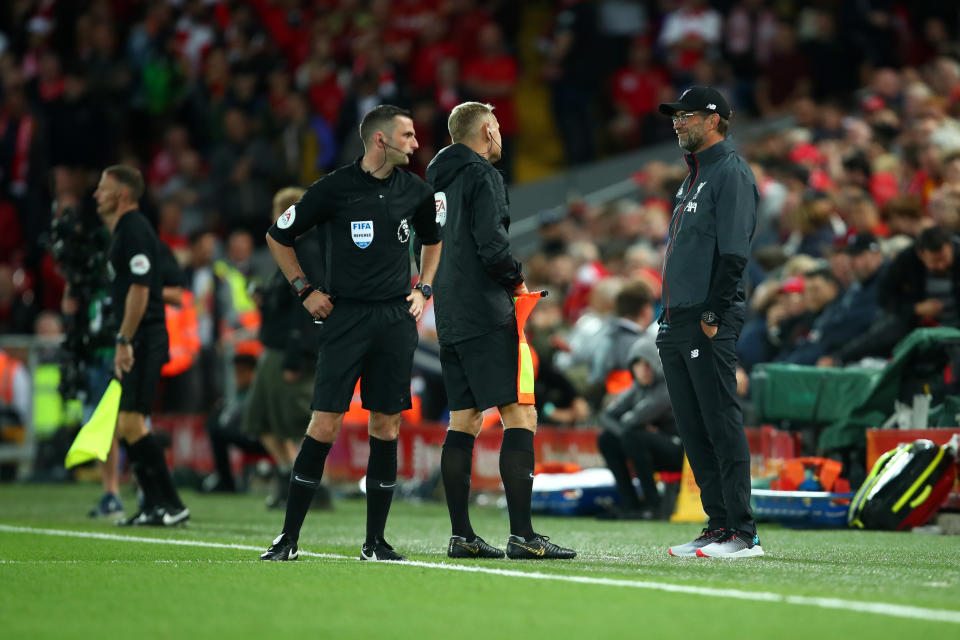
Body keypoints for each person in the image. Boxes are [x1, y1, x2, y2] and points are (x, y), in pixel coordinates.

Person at [259, 105, 442, 562]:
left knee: (386, 423)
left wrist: (424, 289)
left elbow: (433, 239)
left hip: (395, 320)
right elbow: (277, 237)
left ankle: (375, 543)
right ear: (380, 140)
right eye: (408, 134)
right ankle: (288, 538)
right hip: (345, 319)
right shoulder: (334, 188)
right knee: (324, 423)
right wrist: (304, 290)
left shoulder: (415, 190)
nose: (416, 143)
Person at [426, 101, 575, 560]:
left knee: (464, 419)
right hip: (485, 310)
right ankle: (524, 536)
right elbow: (492, 246)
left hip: (448, 311)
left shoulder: (434, 181)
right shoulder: (482, 176)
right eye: (498, 128)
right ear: (488, 131)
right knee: (520, 414)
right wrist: (518, 281)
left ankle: (461, 536)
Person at [656, 87, 762, 558]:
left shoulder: (730, 173)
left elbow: (735, 252)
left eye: (687, 115)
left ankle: (743, 532)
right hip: (677, 319)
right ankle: (717, 524)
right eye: (675, 116)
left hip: (706, 318)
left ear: (715, 119)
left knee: (719, 420)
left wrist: (714, 314)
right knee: (694, 427)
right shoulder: (693, 177)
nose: (677, 122)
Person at [94, 165, 189, 526]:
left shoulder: (133, 229)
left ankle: (171, 504)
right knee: (127, 423)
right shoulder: (125, 231)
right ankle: (152, 505)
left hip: (143, 337)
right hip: (139, 337)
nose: (96, 194)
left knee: (132, 423)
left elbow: (139, 288)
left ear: (121, 195)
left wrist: (123, 339)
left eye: (102, 189)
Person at [242, 187, 323, 508]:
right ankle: (289, 476)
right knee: (260, 421)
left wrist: (297, 357)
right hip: (273, 349)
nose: (273, 218)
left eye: (279, 211)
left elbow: (307, 310)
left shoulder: (307, 250)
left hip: (290, 354)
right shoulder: (289, 249)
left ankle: (313, 486)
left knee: (297, 424)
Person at [596, 335, 682, 520]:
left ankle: (654, 505)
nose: (643, 370)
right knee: (607, 439)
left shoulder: (666, 386)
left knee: (633, 436)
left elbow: (634, 418)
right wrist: (625, 430)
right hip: (650, 445)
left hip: (678, 449)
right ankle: (631, 504)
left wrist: (629, 427)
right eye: (638, 364)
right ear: (632, 367)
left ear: (656, 365)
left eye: (647, 364)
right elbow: (604, 416)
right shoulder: (637, 389)